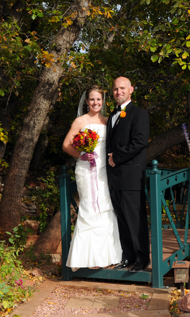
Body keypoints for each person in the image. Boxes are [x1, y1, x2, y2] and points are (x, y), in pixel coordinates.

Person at [62, 85, 122, 269]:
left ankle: (105, 257)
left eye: (99, 99)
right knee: (89, 207)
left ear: (103, 101)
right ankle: (87, 259)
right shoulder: (80, 121)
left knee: (105, 207)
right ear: (87, 102)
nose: (96, 102)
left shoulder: (107, 121)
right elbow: (66, 145)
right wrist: (81, 154)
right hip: (86, 169)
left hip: (104, 171)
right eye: (92, 99)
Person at [106, 77, 150, 272]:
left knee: (135, 219)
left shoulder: (139, 114)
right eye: (115, 89)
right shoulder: (112, 116)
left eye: (122, 88)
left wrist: (117, 157)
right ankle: (128, 256)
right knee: (122, 219)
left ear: (131, 89)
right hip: (114, 177)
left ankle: (142, 259)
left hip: (132, 176)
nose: (118, 92)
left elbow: (140, 142)